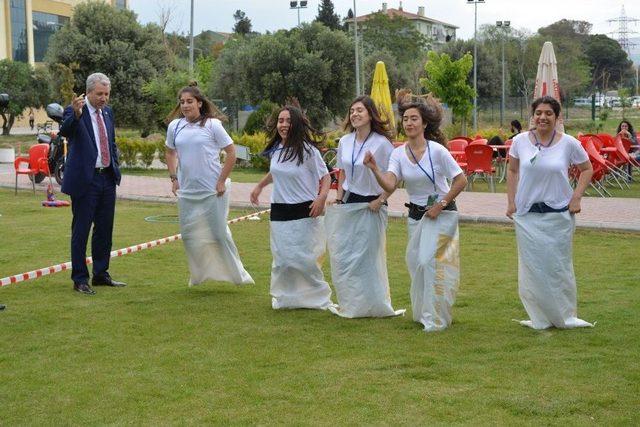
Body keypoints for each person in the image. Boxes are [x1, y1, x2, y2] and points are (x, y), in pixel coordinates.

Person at [364, 95, 467, 331]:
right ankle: (425, 313)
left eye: (414, 119)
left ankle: (436, 319)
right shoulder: (398, 154)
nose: (409, 123)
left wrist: (440, 204)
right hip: (416, 216)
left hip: (441, 215)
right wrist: (374, 169)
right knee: (417, 265)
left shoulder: (438, 151)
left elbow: (461, 180)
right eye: (406, 119)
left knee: (430, 263)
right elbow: (390, 184)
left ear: (424, 124)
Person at [506, 96, 594, 330]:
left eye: (548, 113)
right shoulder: (520, 142)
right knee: (532, 269)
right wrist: (511, 202)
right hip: (527, 216)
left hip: (558, 215)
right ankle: (540, 317)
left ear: (557, 117)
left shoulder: (569, 143)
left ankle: (565, 316)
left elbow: (587, 169)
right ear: (532, 116)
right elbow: (512, 170)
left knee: (558, 267)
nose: (543, 117)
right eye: (539, 113)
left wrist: (576, 197)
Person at [165, 85, 253, 286]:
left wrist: (221, 180)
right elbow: (170, 152)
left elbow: (232, 153)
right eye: (182, 102)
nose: (185, 105)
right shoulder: (175, 127)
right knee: (189, 236)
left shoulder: (213, 125)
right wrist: (173, 178)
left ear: (199, 103)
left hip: (212, 191)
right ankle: (199, 275)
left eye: (189, 101)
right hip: (187, 191)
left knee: (219, 234)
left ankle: (237, 275)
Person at [324, 95, 404, 318]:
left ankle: (374, 305)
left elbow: (393, 179)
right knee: (346, 255)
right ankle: (352, 303)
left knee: (368, 257)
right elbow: (341, 174)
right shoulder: (345, 141)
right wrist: (339, 199)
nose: (355, 114)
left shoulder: (382, 144)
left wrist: (380, 200)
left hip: (372, 204)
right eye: (352, 111)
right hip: (349, 202)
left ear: (370, 114)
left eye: (360, 110)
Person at [250, 104, 334, 310]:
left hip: (304, 211)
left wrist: (321, 199)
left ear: (296, 124)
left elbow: (325, 177)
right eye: (280, 121)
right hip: (279, 211)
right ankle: (286, 298)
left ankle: (317, 298)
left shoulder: (308, 151)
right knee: (283, 261)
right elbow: (276, 172)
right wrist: (260, 186)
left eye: (288, 121)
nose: (284, 125)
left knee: (305, 260)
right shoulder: (277, 149)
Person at [59, 73, 125, 295]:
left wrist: (114, 167)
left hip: (107, 177)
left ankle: (100, 274)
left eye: (106, 94)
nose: (104, 98)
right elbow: (65, 131)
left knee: (105, 229)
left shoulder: (108, 112)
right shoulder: (75, 110)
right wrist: (76, 115)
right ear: (88, 92)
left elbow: (111, 140)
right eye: (99, 94)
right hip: (85, 181)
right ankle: (80, 279)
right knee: (81, 230)